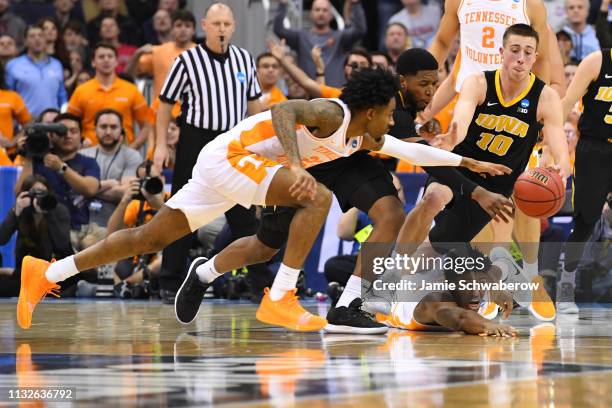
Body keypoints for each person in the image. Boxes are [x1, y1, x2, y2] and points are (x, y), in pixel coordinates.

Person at [18, 68, 507, 331]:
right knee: (312, 195)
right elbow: (282, 111)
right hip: (230, 156)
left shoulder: (366, 138)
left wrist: (469, 165)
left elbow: (409, 149)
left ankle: (48, 273)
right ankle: (280, 297)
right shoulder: (332, 113)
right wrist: (294, 166)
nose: (390, 124)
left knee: (147, 237)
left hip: (223, 166)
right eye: (388, 115)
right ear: (374, 109)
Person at [412, 25, 571, 320]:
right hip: (461, 171)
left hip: (495, 189)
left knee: (437, 246)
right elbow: (461, 119)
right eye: (514, 51)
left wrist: (561, 165)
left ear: (535, 58)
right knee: (433, 197)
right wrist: (450, 140)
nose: (520, 59)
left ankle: (412, 290)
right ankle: (384, 288)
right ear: (501, 52)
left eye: (527, 53)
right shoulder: (479, 83)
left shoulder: (544, 97)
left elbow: (559, 144)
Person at [152, 3, 266, 304]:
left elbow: (254, 105)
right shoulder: (187, 61)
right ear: (204, 25)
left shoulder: (244, 60)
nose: (222, 29)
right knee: (182, 211)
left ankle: (260, 283)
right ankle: (169, 280)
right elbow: (165, 104)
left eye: (227, 24)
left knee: (244, 213)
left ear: (235, 26)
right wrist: (161, 145)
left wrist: (262, 147)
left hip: (233, 142)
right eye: (216, 24)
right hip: (195, 141)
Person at [557, 49, 612, 313]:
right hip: (594, 149)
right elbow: (567, 101)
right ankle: (566, 283)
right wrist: (550, 142)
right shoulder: (597, 61)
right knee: (586, 222)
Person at [371, 247, 517, 336]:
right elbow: (461, 318)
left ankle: (504, 265)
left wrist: (495, 285)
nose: (474, 292)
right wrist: (487, 325)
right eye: (465, 284)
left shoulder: (478, 287)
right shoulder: (434, 301)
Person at [15, 113, 103, 252]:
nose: (67, 135)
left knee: (98, 240)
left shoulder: (88, 162)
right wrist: (30, 153)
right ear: (51, 136)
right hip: (47, 231)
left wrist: (62, 168)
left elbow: (90, 189)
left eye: (74, 131)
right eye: (61, 131)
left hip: (80, 229)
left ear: (81, 135)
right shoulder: (37, 160)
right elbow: (20, 192)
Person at [67, 42, 153, 148]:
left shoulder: (131, 89)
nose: (106, 60)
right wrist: (80, 144)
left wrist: (133, 148)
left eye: (110, 56)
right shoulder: (81, 90)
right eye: (101, 57)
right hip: (90, 154)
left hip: (123, 154)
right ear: (93, 62)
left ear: (116, 61)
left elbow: (147, 125)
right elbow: (69, 124)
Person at [0, 174, 72, 296]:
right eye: (35, 193)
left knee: (66, 288)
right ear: (25, 194)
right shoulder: (21, 210)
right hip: (26, 276)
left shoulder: (59, 211)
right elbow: (2, 239)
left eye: (43, 193)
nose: (39, 198)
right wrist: (15, 213)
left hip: (54, 276)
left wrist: (48, 212)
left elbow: (63, 245)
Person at [273, 0, 366, 87]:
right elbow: (279, 29)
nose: (321, 13)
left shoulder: (341, 37)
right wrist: (282, 4)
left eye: (325, 10)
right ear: (311, 14)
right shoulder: (300, 37)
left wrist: (356, 3)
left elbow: (360, 30)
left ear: (331, 15)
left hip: (336, 93)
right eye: (317, 10)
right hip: (309, 94)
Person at [80, 108, 142, 226]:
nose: (108, 132)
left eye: (113, 127)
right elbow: (76, 190)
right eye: (103, 127)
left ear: (121, 130)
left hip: (119, 225)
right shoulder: (83, 154)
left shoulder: (132, 156)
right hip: (85, 224)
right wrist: (110, 184)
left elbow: (126, 192)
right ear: (95, 130)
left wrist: (88, 189)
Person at [126, 9, 196, 98]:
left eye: (187, 26)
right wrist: (137, 53)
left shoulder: (202, 53)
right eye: (178, 25)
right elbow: (129, 75)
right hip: (162, 109)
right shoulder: (158, 51)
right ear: (172, 29)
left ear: (194, 30)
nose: (183, 29)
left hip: (194, 109)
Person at [5, 26, 68, 117]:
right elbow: (8, 96)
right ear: (26, 41)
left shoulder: (56, 64)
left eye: (40, 35)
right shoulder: (13, 65)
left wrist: (63, 115)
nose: (37, 39)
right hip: (25, 123)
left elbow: (62, 95)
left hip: (53, 122)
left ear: (45, 40)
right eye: (32, 36)